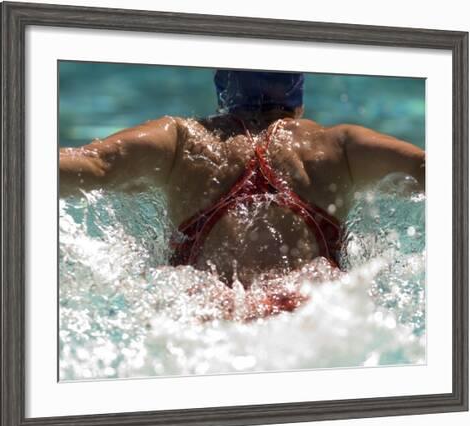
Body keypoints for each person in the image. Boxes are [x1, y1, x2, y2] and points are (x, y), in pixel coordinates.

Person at [60, 70, 425, 319]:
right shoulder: (338, 146)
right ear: (298, 99)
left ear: (223, 90)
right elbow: (430, 170)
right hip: (310, 317)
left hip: (212, 316)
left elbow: (91, 166)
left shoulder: (182, 140)